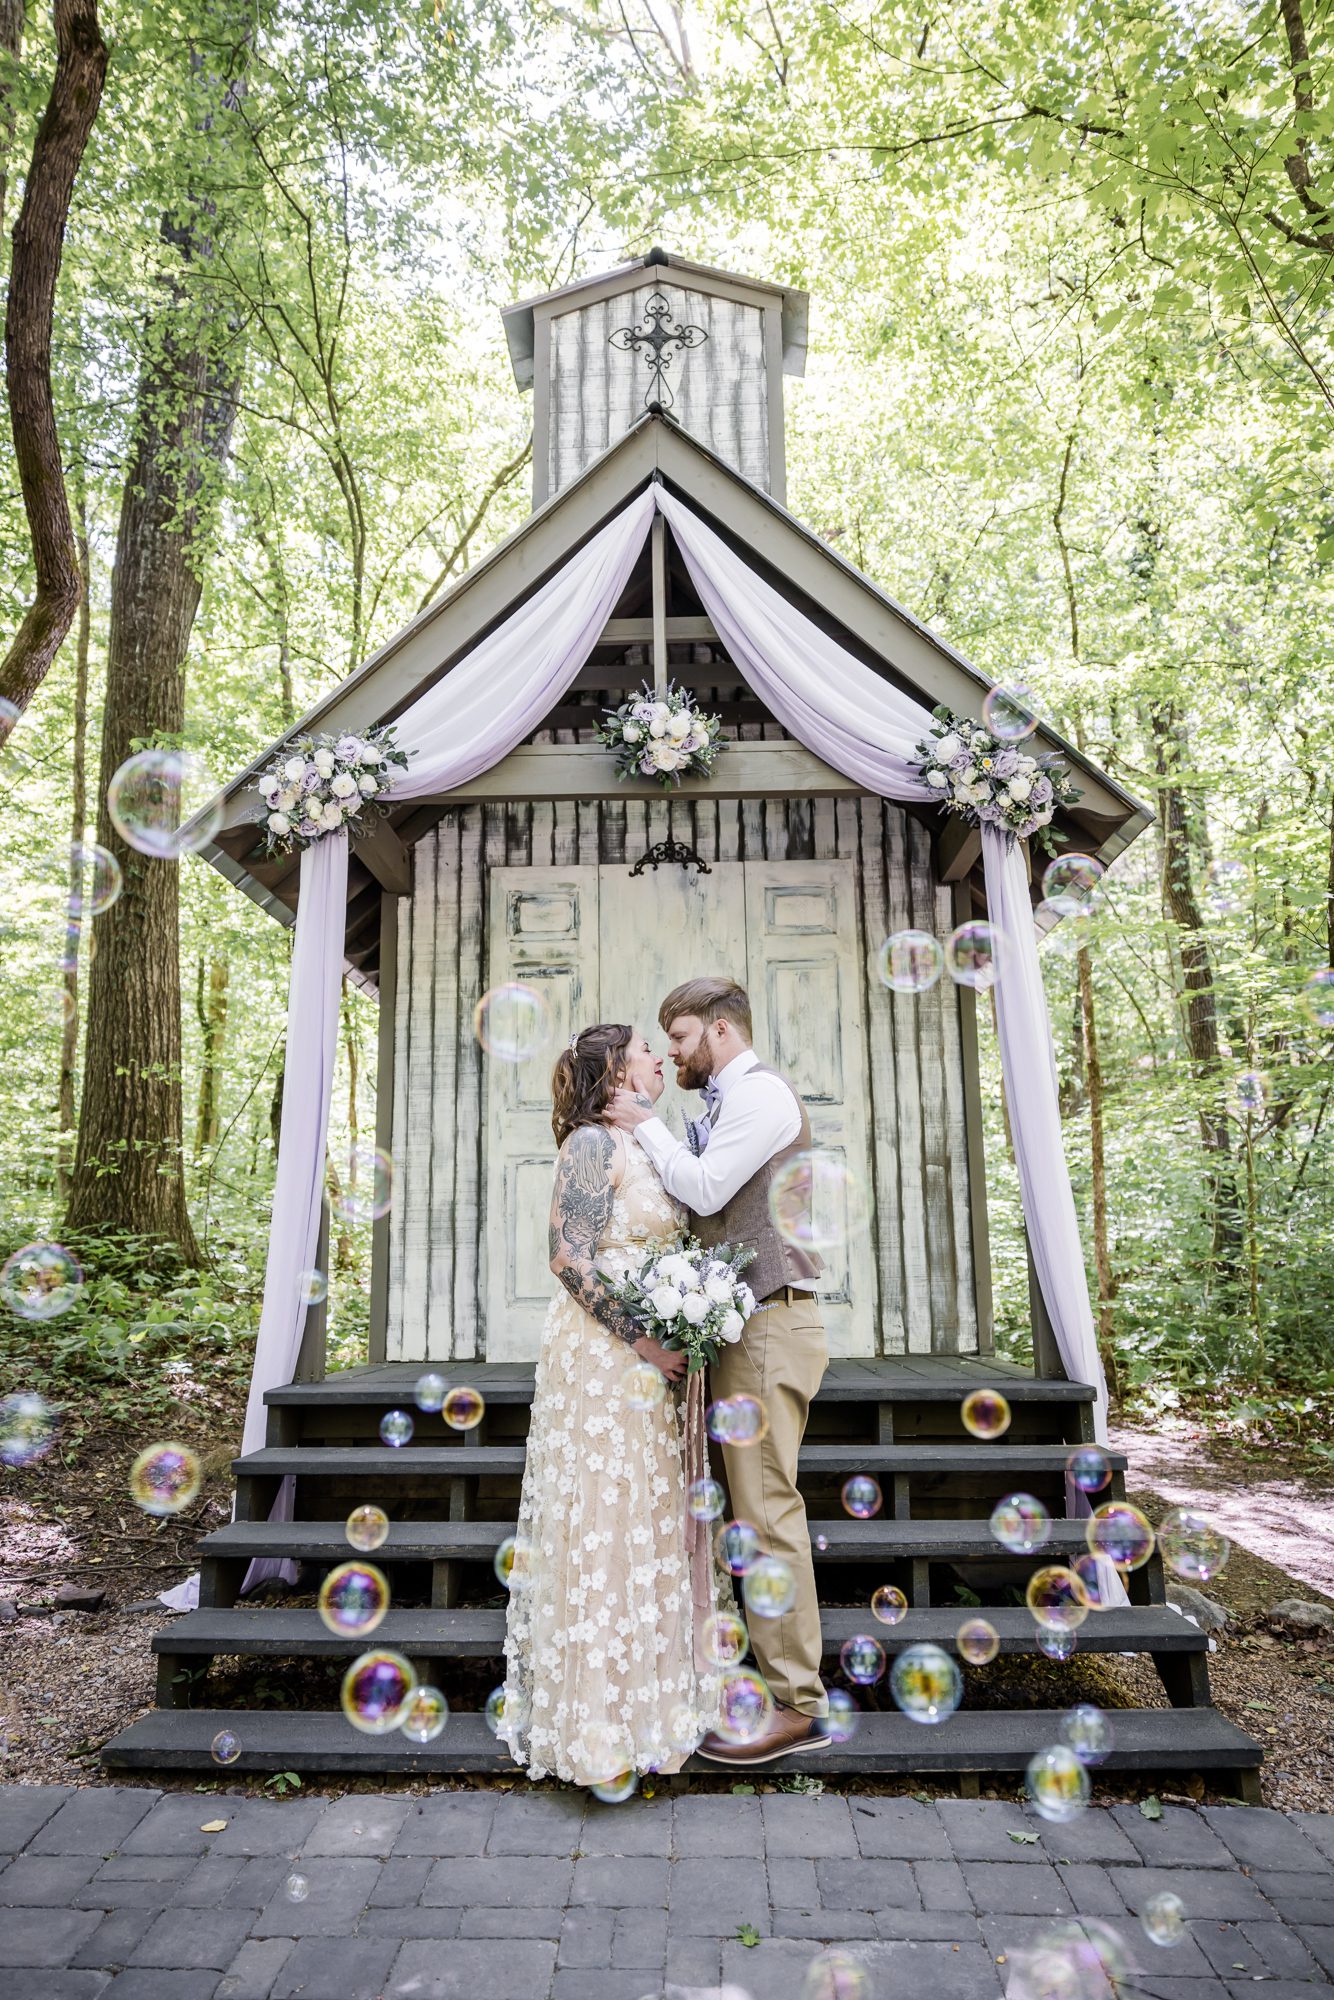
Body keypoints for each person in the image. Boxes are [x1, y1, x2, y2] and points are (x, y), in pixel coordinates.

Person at [606, 974, 831, 1765]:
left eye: (679, 1036)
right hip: (747, 1329)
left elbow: (704, 1186)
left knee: (767, 1512)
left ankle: (799, 1704)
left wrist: (645, 1123)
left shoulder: (763, 1097)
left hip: (772, 1324)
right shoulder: (725, 1102)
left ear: (720, 1031)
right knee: (750, 1510)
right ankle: (778, 1684)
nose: (671, 1051)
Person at [499, 1022, 721, 1787]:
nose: (660, 1058)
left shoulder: (651, 1142)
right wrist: (644, 1342)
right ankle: (599, 1732)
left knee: (648, 1519)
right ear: (617, 1074)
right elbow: (568, 1256)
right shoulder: (591, 1145)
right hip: (605, 1359)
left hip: (645, 1361)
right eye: (645, 1052)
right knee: (604, 1522)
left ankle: (653, 1714)